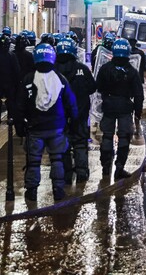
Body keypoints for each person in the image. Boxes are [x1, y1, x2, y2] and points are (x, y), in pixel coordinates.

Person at [16, 43, 78, 201]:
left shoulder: (29, 79)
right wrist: (73, 123)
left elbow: (19, 105)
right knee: (56, 159)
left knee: (34, 160)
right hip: (57, 126)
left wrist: (19, 127)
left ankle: (31, 191)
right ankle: (58, 189)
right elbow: (71, 103)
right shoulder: (60, 79)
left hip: (35, 128)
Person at [96, 38, 144, 179]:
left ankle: (105, 167)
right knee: (124, 138)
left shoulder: (105, 68)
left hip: (108, 106)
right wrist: (138, 113)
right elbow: (138, 94)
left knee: (107, 136)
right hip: (125, 108)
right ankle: (119, 167)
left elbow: (98, 87)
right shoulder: (132, 71)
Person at [55, 39, 96, 184]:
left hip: (59, 116)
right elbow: (92, 87)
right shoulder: (82, 69)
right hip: (80, 114)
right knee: (80, 143)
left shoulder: (52, 70)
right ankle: (82, 172)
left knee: (63, 145)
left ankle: (66, 174)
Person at [0, 35, 20, 125]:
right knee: (10, 101)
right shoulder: (11, 55)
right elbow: (16, 70)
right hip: (9, 82)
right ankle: (11, 117)